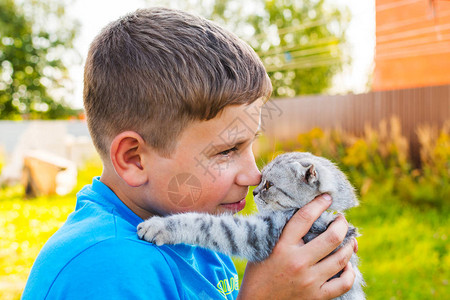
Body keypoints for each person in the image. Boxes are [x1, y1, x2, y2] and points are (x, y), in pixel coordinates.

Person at [22, 7, 356, 299]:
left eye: (251, 144)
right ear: (134, 159)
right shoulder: (104, 268)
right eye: (227, 151)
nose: (254, 176)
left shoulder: (202, 235)